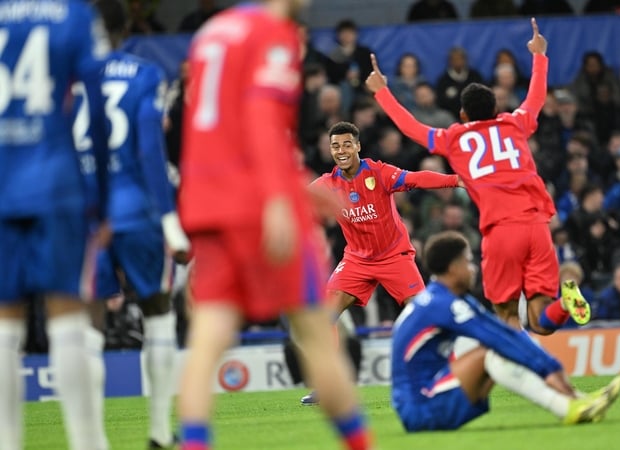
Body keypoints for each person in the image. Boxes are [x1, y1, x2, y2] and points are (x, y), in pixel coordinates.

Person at [178, 1, 373, 449]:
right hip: (259, 202)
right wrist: (285, 199)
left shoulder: (212, 32)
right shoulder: (274, 33)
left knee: (207, 341)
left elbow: (199, 123)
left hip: (207, 200)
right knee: (316, 333)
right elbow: (263, 123)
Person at [366, 19, 591, 336]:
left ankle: (518, 373)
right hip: (537, 225)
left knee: (507, 315)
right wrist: (540, 56)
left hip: (501, 230)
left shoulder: (454, 137)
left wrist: (382, 93)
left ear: (462, 115)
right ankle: (565, 305)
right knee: (542, 319)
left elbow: (412, 129)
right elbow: (537, 98)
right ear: (497, 109)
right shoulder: (515, 124)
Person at [74, 1, 190, 448]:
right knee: (158, 313)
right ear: (126, 30)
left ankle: (92, 439)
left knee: (88, 323)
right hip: (136, 210)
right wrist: (169, 218)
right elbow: (149, 153)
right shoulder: (143, 74)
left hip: (84, 214)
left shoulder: (68, 76)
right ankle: (160, 433)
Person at [0, 1, 112, 449]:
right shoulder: (75, 14)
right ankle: (88, 443)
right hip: (55, 183)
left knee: (6, 323)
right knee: (68, 316)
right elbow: (96, 110)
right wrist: (100, 197)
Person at [391, 231, 620, 431]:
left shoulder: (441, 299)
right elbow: (499, 337)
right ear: (453, 268)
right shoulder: (442, 304)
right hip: (420, 408)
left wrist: (549, 369)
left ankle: (577, 400)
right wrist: (550, 370)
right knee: (493, 351)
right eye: (468, 262)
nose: (473, 269)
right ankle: (569, 406)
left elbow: (503, 332)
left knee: (500, 346)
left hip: (420, 401)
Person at [301, 121, 459, 405]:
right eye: (335, 146)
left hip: (393, 256)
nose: (341, 150)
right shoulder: (326, 185)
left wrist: (455, 180)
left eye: (347, 144)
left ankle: (450, 370)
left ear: (358, 146)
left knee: (425, 314)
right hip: (356, 260)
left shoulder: (379, 173)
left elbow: (416, 179)